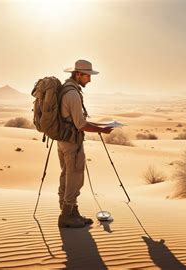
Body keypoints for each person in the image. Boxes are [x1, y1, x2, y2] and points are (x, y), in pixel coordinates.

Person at [57, 59, 113, 228]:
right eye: (88, 76)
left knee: (67, 175)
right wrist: (103, 130)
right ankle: (66, 216)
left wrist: (98, 126)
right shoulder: (72, 94)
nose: (90, 80)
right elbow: (81, 125)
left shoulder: (65, 89)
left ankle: (72, 213)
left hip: (64, 140)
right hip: (71, 142)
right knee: (74, 177)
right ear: (79, 74)